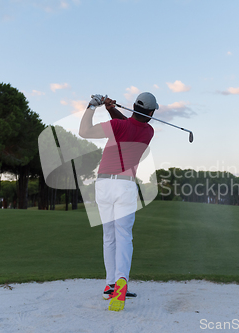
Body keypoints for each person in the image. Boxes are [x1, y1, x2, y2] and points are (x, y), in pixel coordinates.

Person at [79, 92, 158, 312]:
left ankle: (110, 286)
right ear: (151, 114)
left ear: (133, 106)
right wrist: (111, 108)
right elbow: (132, 124)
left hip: (103, 185)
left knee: (109, 236)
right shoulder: (149, 131)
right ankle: (121, 281)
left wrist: (92, 106)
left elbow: (84, 131)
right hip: (124, 186)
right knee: (124, 235)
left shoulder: (117, 126)